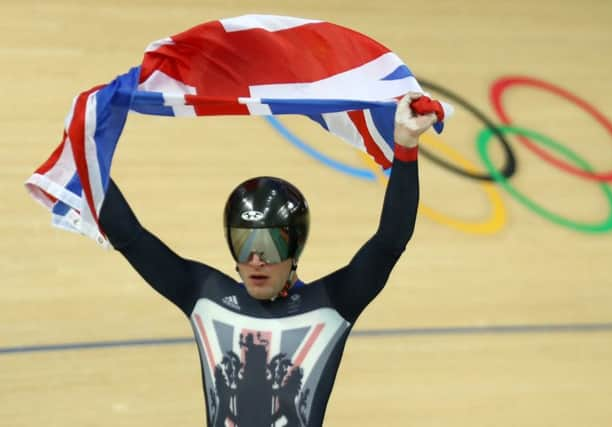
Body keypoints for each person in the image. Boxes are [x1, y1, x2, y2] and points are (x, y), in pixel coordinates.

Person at [98, 92, 438, 426]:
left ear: (295, 249)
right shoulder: (202, 293)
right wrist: (88, 152)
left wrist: (405, 145)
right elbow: (130, 238)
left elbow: (390, 242)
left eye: (270, 245)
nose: (256, 260)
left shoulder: (332, 304)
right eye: (244, 244)